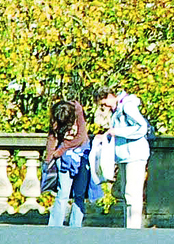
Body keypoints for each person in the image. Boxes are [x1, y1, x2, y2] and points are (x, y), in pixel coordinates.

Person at [96, 88, 153, 229]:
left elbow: (142, 127)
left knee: (132, 192)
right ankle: (129, 225)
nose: (104, 107)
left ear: (110, 96)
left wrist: (118, 132)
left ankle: (133, 227)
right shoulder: (118, 109)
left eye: (104, 103)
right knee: (126, 193)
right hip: (125, 156)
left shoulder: (127, 106)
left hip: (135, 154)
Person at [42, 98, 93, 228]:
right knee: (62, 192)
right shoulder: (57, 115)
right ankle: (55, 225)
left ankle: (75, 225)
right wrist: (48, 159)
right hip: (64, 159)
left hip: (81, 156)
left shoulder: (78, 112)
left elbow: (80, 137)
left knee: (79, 193)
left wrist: (61, 149)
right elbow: (52, 138)